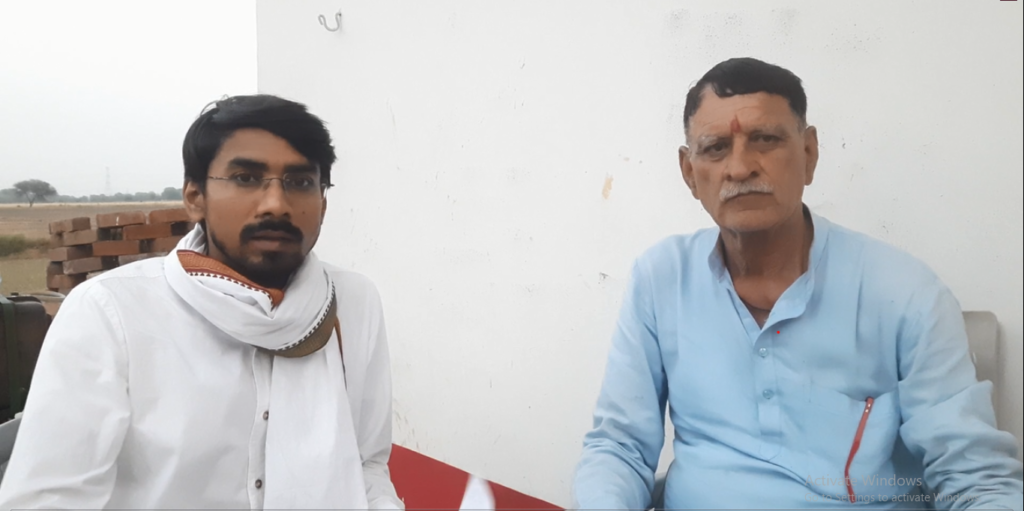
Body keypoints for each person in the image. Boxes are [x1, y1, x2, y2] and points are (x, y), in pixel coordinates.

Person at [573, 58, 1023, 510]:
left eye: (765, 140)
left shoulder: (905, 293)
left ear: (809, 153)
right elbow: (619, 447)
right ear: (689, 172)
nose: (740, 167)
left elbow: (975, 479)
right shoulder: (662, 280)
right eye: (715, 148)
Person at [0, 95, 403, 509]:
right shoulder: (111, 311)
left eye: (300, 182)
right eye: (246, 178)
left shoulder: (351, 302)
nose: (276, 205)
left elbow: (367, 465)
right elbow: (49, 499)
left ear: (323, 203)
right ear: (195, 197)